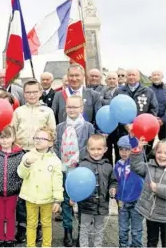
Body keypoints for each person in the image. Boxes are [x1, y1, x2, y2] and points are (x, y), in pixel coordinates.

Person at [54, 95, 95, 247]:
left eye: (75, 107)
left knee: (83, 201)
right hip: (65, 170)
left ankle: (81, 232)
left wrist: (82, 163)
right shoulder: (60, 127)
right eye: (69, 107)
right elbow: (57, 146)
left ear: (81, 108)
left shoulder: (88, 127)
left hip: (81, 170)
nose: (72, 110)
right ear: (66, 108)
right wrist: (61, 163)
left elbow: (91, 148)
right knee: (66, 201)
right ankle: (67, 231)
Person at [17, 126, 63, 247]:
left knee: (46, 223)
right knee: (31, 223)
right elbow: (21, 174)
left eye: (42, 138)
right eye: (36, 137)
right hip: (30, 197)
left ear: (50, 143)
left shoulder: (55, 161)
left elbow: (58, 182)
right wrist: (26, 164)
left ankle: (46, 245)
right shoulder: (28, 156)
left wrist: (57, 200)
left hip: (47, 199)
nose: (38, 140)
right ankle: (30, 245)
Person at [78, 134, 118, 247]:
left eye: (99, 149)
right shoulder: (83, 164)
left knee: (99, 229)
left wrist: (113, 189)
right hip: (86, 205)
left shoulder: (108, 166)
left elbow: (113, 181)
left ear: (105, 149)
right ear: (87, 149)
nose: (96, 152)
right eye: (93, 149)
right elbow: (77, 183)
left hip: (102, 205)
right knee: (84, 229)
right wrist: (73, 196)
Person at [130, 137, 166, 247]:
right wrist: (138, 149)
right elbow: (135, 166)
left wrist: (158, 188)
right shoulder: (149, 167)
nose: (162, 155)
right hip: (151, 215)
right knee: (151, 240)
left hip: (165, 217)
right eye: (159, 152)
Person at [113, 135, 144, 247]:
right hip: (122, 202)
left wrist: (132, 137)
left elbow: (138, 152)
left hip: (137, 201)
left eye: (127, 149)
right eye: (121, 149)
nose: (124, 152)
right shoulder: (117, 165)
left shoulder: (138, 163)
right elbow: (114, 181)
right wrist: (114, 191)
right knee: (123, 229)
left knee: (136, 231)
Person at [12, 79, 56, 151]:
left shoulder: (48, 111)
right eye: (28, 92)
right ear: (24, 94)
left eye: (35, 92)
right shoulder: (18, 111)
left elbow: (52, 132)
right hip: (20, 150)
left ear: (40, 93)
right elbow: (12, 131)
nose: (31, 95)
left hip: (40, 151)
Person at [149, 70, 166, 140]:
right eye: (154, 75)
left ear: (162, 77)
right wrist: (152, 118)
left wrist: (163, 120)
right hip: (149, 122)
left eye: (158, 75)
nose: (156, 77)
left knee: (163, 144)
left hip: (164, 122)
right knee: (147, 144)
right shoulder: (147, 90)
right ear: (151, 77)